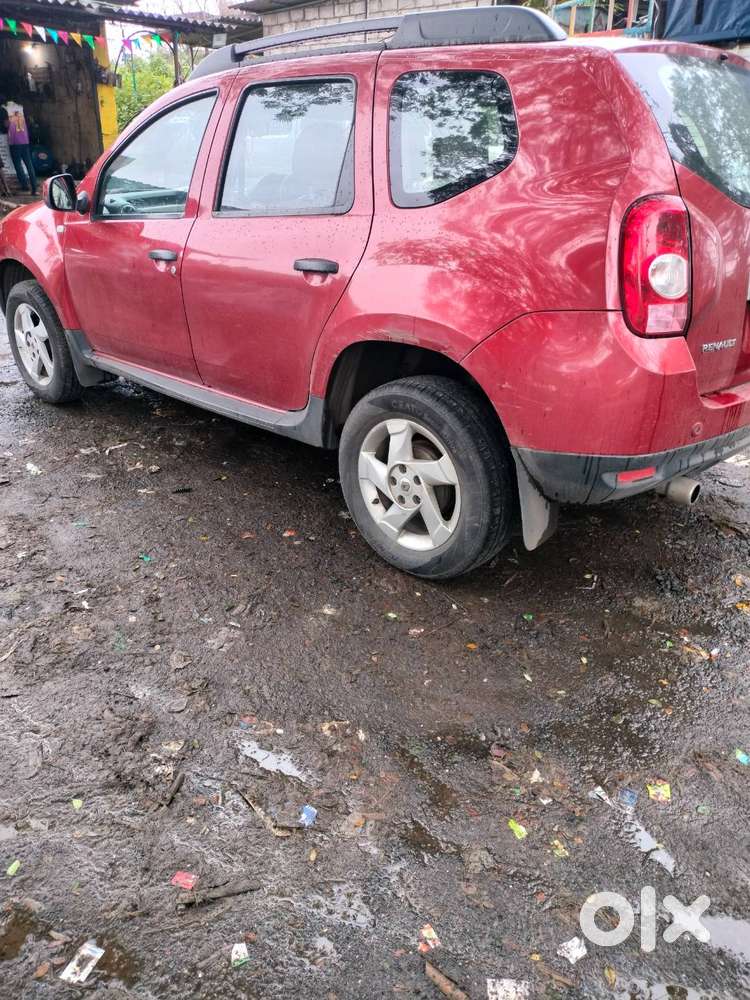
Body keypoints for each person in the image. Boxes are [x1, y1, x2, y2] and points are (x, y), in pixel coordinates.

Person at [5, 102, 36, 196]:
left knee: (18, 165)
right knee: (29, 164)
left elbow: (6, 125)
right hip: (25, 141)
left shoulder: (8, 110)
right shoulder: (21, 109)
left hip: (15, 142)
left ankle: (24, 185)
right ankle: (34, 187)